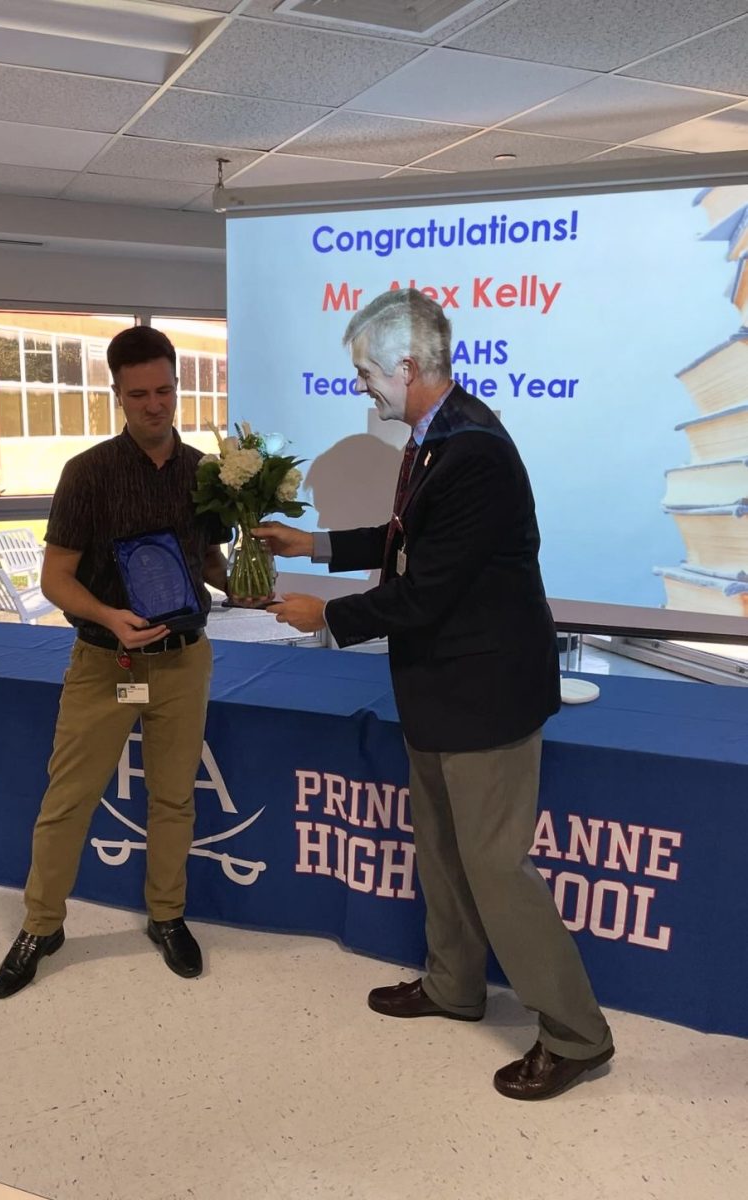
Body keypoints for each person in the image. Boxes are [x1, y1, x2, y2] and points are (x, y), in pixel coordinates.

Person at [257, 288, 614, 1100]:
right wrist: (313, 542)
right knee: (444, 856)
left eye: (365, 373)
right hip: (437, 691)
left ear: (408, 367)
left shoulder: (474, 453)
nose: (361, 387)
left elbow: (427, 593)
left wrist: (325, 614)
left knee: (494, 869)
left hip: (485, 697)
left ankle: (577, 1033)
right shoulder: (433, 439)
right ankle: (453, 985)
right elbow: (402, 543)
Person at [0, 326, 230, 999]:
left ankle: (167, 915)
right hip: (106, 663)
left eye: (164, 391)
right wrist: (108, 616)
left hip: (184, 663)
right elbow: (56, 580)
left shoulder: (205, 471)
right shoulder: (88, 474)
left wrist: (240, 580)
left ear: (177, 386)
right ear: (117, 395)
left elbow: (205, 560)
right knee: (68, 799)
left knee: (174, 799)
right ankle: (42, 924)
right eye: (138, 394)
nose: (155, 405)